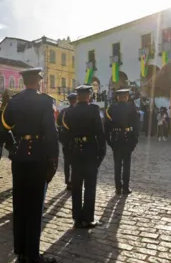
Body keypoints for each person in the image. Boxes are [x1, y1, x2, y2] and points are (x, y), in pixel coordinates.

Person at [2, 67, 58, 263]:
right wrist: (54, 157)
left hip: (19, 156)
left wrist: (13, 146)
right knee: (34, 207)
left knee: (20, 204)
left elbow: (5, 126)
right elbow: (51, 132)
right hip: (38, 156)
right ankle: (32, 254)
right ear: (39, 82)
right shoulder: (45, 101)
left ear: (24, 82)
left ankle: (20, 250)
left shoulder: (14, 101)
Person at [62, 85, 106, 228]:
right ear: (89, 96)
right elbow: (100, 133)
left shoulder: (70, 112)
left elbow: (64, 135)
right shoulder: (93, 110)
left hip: (75, 151)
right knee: (90, 185)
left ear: (78, 96)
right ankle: (88, 217)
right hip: (90, 151)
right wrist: (101, 152)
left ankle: (76, 217)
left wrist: (68, 152)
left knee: (76, 185)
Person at [105, 89, 139, 195]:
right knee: (126, 165)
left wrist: (109, 140)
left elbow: (106, 126)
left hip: (116, 138)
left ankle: (118, 188)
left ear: (117, 97)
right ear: (127, 97)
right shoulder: (131, 108)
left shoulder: (111, 108)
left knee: (117, 165)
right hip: (127, 138)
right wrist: (134, 140)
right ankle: (125, 188)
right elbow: (136, 126)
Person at [56, 93, 77, 190]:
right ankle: (74, 180)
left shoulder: (64, 111)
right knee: (75, 162)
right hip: (76, 141)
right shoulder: (78, 111)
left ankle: (67, 181)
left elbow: (58, 123)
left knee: (67, 162)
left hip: (66, 140)